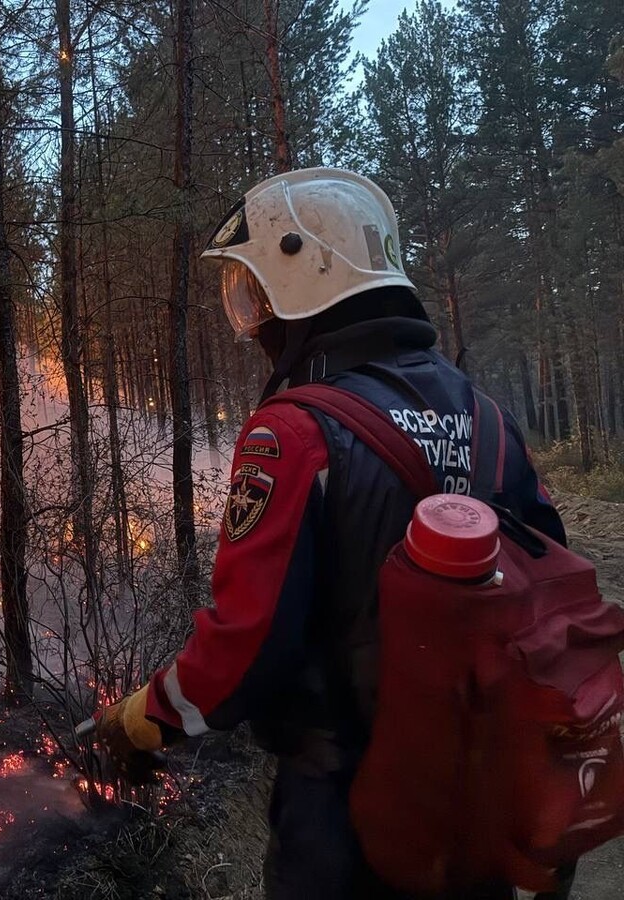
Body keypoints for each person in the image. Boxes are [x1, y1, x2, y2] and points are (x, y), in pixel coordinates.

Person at [90, 168, 574, 899]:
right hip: (474, 796)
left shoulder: (292, 431)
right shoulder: (484, 415)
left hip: (346, 817)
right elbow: (548, 577)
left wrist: (144, 717)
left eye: (252, 295)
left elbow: (246, 643)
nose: (251, 320)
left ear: (303, 277)